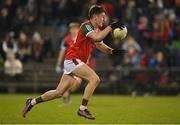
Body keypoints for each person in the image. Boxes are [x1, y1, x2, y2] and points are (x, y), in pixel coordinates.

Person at [22, 5, 126, 120]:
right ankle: (82, 109)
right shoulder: (86, 26)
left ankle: (31, 102)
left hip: (74, 60)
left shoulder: (97, 30)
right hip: (74, 59)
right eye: (102, 17)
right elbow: (97, 38)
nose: (104, 19)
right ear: (95, 17)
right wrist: (111, 27)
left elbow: (99, 44)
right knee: (95, 79)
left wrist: (113, 51)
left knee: (58, 92)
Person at [55, 22, 82, 104]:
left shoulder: (81, 38)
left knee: (77, 82)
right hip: (69, 64)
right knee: (69, 84)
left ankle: (67, 93)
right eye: (71, 28)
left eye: (75, 28)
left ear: (78, 29)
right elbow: (62, 52)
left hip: (80, 64)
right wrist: (58, 65)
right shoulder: (66, 40)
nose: (73, 30)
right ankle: (66, 95)